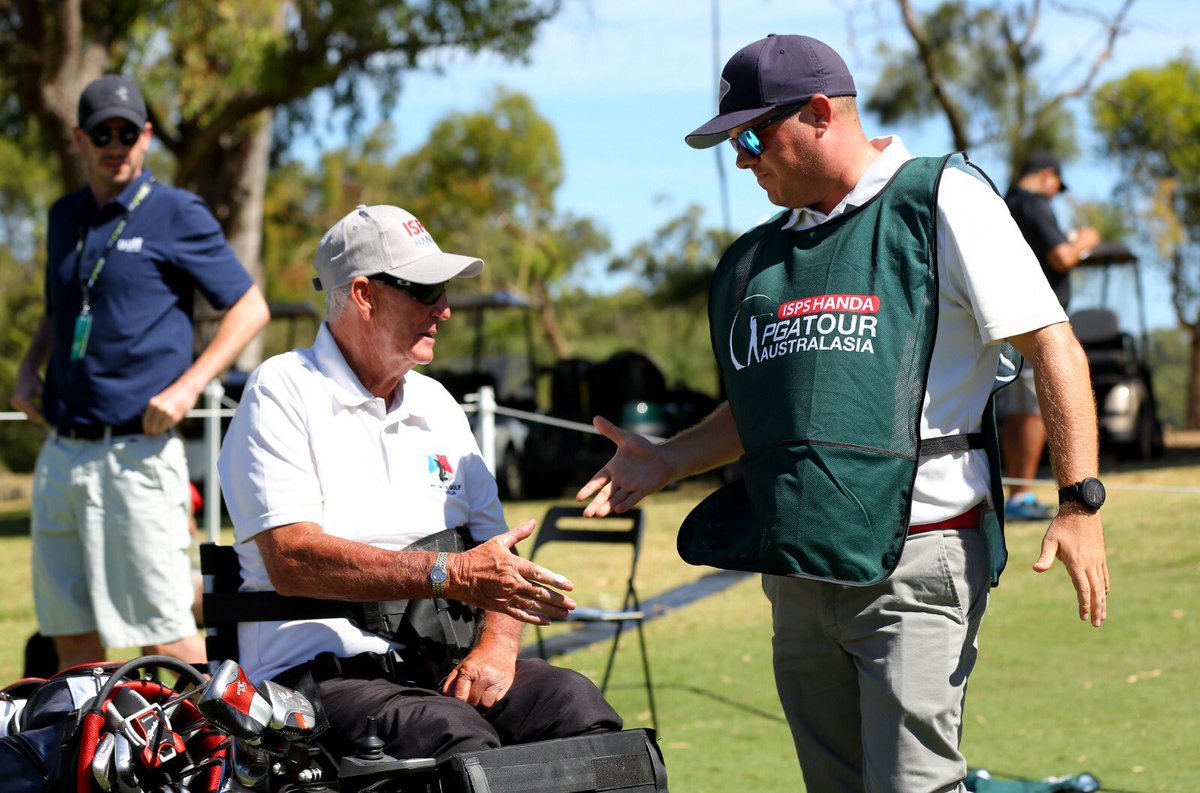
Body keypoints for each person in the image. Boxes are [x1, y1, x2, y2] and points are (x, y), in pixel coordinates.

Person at [576, 35, 1109, 792]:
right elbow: (764, 410)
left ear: (821, 113)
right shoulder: (762, 255)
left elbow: (1055, 344)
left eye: (752, 135)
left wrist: (1080, 499)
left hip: (918, 560)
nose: (741, 158)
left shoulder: (940, 198)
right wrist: (668, 458)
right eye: (731, 142)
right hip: (798, 572)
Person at [217, 204, 621, 762]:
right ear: (364, 294)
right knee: (451, 735)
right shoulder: (282, 389)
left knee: (576, 706)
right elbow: (291, 559)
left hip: (437, 668)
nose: (446, 309)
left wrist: (497, 649)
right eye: (426, 290)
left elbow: (498, 554)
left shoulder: (438, 402)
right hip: (315, 678)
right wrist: (448, 573)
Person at [11, 75, 269, 670]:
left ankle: (195, 763)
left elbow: (250, 308)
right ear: (79, 138)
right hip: (61, 453)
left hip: (137, 455)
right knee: (70, 638)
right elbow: (60, 308)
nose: (116, 144)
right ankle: (93, 763)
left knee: (165, 634)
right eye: (102, 132)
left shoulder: (177, 212)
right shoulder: (63, 217)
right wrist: (29, 368)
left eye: (129, 132)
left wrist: (187, 387)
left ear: (147, 137)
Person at [1000, 153, 1101, 520]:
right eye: (1057, 186)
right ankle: (1021, 496)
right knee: (1032, 409)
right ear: (1047, 177)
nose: (1056, 194)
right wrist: (1084, 241)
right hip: (1037, 321)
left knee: (1016, 411)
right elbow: (1061, 257)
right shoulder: (1034, 204)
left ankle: (1016, 492)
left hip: (1010, 319)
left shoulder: (1005, 201)